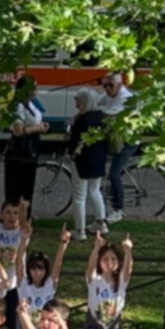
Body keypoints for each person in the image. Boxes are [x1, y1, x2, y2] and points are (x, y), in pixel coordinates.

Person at [3, 75, 49, 212]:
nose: (36, 89)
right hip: (20, 152)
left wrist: (42, 125)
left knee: (27, 190)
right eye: (34, 87)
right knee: (17, 190)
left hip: (31, 151)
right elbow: (18, 131)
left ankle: (25, 217)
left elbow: (33, 120)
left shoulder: (30, 103)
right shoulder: (17, 106)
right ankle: (14, 217)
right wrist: (38, 128)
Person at [68, 88, 108, 241]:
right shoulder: (101, 117)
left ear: (85, 102)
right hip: (98, 160)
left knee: (79, 196)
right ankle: (101, 223)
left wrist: (70, 154)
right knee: (95, 191)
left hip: (82, 162)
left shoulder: (81, 121)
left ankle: (80, 230)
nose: (76, 103)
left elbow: (74, 143)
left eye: (78, 100)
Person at [97, 73, 136, 225]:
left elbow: (108, 113)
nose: (107, 89)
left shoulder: (125, 98)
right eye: (104, 85)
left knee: (114, 174)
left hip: (127, 141)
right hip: (116, 138)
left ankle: (118, 210)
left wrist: (91, 113)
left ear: (119, 85)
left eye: (110, 85)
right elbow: (96, 101)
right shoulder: (109, 94)